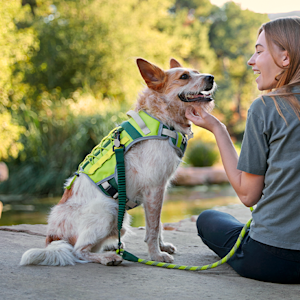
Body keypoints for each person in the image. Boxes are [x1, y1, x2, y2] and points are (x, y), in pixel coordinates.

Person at [185, 17, 300, 283]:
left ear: (285, 58)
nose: (251, 60)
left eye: (259, 51)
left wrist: (218, 129)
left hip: (272, 259)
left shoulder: (265, 107)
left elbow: (249, 195)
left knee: (209, 219)